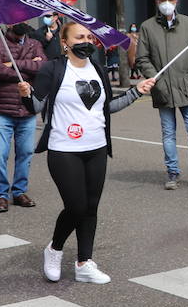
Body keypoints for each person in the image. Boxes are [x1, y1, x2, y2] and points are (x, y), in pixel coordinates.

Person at [29, 23, 155, 283]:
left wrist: (135, 92)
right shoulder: (52, 69)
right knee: (76, 206)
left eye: (89, 36)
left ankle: (84, 263)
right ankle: (54, 249)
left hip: (96, 147)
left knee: (91, 207)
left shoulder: (97, 68)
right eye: (79, 37)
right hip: (64, 148)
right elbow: (35, 106)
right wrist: (25, 94)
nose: (86, 41)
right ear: (65, 42)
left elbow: (106, 107)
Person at [136, 0, 188, 191]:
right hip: (163, 89)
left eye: (171, 0)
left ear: (176, 1)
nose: (167, 4)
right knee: (168, 134)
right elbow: (142, 58)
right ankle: (173, 172)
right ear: (157, 2)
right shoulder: (147, 27)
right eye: (163, 0)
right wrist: (157, 79)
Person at [0, 22, 47, 212]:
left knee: (26, 153)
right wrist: (28, 70)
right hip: (2, 110)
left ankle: (19, 191)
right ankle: (2, 195)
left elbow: (43, 66)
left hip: (27, 110)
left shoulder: (34, 43)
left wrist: (14, 64)